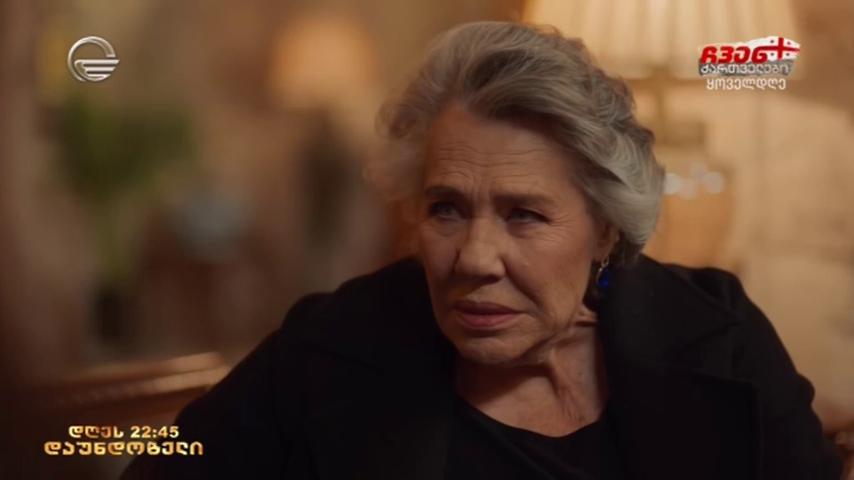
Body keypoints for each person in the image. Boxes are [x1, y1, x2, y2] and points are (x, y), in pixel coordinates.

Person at [122, 21, 843, 479]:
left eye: (524, 215)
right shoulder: (333, 344)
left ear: (605, 228)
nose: (473, 257)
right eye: (446, 209)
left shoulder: (717, 336)